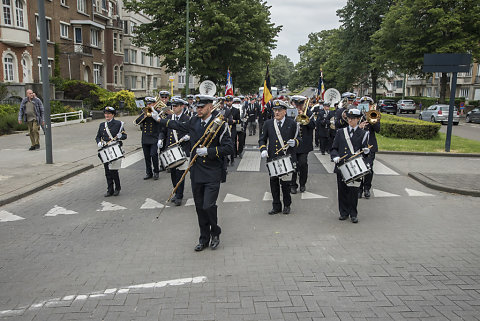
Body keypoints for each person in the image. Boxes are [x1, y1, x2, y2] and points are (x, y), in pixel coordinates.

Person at [155, 95, 233, 251]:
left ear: (210, 107)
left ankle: (215, 232)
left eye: (201, 107)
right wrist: (159, 120)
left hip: (212, 172)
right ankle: (204, 238)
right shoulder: (194, 121)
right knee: (199, 207)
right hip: (197, 171)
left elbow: (229, 148)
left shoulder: (220, 124)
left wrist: (209, 151)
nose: (198, 110)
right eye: (197, 107)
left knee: (208, 205)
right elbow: (177, 124)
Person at [259, 99, 301, 215]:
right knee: (274, 183)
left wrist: (295, 142)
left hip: (286, 158)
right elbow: (262, 139)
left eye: (279, 110)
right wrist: (263, 149)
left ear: (285, 112)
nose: (276, 113)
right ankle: (276, 205)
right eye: (275, 110)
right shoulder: (268, 123)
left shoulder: (292, 123)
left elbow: (299, 139)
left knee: (286, 184)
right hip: (272, 158)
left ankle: (287, 205)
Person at [331, 108, 369, 223]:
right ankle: (343, 212)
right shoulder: (340, 132)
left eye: (353, 119)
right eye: (349, 118)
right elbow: (334, 148)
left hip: (355, 167)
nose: (350, 120)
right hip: (342, 166)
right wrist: (335, 156)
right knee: (342, 190)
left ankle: (353, 213)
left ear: (358, 119)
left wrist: (366, 152)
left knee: (353, 191)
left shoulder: (363, 134)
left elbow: (364, 151)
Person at [159, 98, 191, 206]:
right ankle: (176, 191)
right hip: (170, 150)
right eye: (173, 106)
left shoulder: (187, 118)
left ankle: (179, 196)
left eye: (176, 106)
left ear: (182, 106)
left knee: (180, 173)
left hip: (182, 149)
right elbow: (163, 131)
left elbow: (193, 131)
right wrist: (160, 139)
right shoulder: (169, 117)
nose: (174, 108)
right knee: (173, 173)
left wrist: (189, 136)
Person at [95, 107, 127, 197]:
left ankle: (117, 188)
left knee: (113, 170)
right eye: (105, 114)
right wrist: (99, 143)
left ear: (113, 115)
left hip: (114, 148)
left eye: (109, 114)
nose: (107, 115)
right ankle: (110, 189)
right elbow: (97, 136)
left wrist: (120, 136)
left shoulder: (118, 124)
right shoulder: (102, 125)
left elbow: (125, 136)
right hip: (105, 149)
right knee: (107, 171)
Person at [289, 95, 315, 194]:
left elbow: (313, 125)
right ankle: (293, 185)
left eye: (301, 104)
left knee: (303, 164)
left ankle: (302, 183)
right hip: (293, 143)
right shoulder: (291, 112)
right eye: (297, 104)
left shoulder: (309, 113)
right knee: (293, 165)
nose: (299, 106)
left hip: (304, 144)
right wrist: (295, 118)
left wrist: (304, 119)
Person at [358, 97, 380, 199]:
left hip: (370, 146)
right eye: (365, 104)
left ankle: (366, 188)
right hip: (359, 146)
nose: (367, 106)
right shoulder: (357, 115)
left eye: (369, 104)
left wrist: (371, 120)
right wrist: (360, 125)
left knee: (369, 168)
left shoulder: (374, 115)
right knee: (359, 169)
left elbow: (378, 129)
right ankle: (359, 189)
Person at [140, 97, 162, 180]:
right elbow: (137, 121)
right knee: (147, 156)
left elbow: (161, 122)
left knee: (153, 154)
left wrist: (154, 115)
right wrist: (144, 116)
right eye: (147, 104)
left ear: (154, 104)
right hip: (145, 137)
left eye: (150, 104)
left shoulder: (158, 112)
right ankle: (149, 173)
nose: (148, 105)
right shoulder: (144, 111)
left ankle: (156, 171)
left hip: (154, 137)